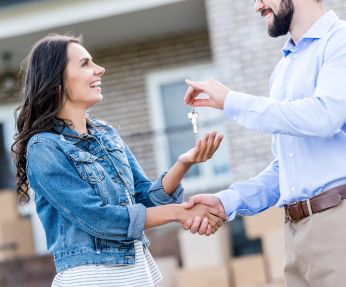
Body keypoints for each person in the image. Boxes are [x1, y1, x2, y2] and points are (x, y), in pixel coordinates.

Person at [11, 34, 227, 287]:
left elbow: (143, 200)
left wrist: (183, 164)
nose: (99, 69)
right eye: (85, 64)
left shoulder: (105, 134)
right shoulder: (44, 147)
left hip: (137, 274)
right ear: (56, 80)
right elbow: (99, 219)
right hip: (92, 279)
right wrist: (178, 213)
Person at [182, 0, 346, 286]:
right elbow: (286, 168)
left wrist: (232, 101)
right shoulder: (282, 71)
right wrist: (226, 201)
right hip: (295, 236)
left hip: (337, 223)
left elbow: (325, 116)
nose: (257, 6)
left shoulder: (340, 41)